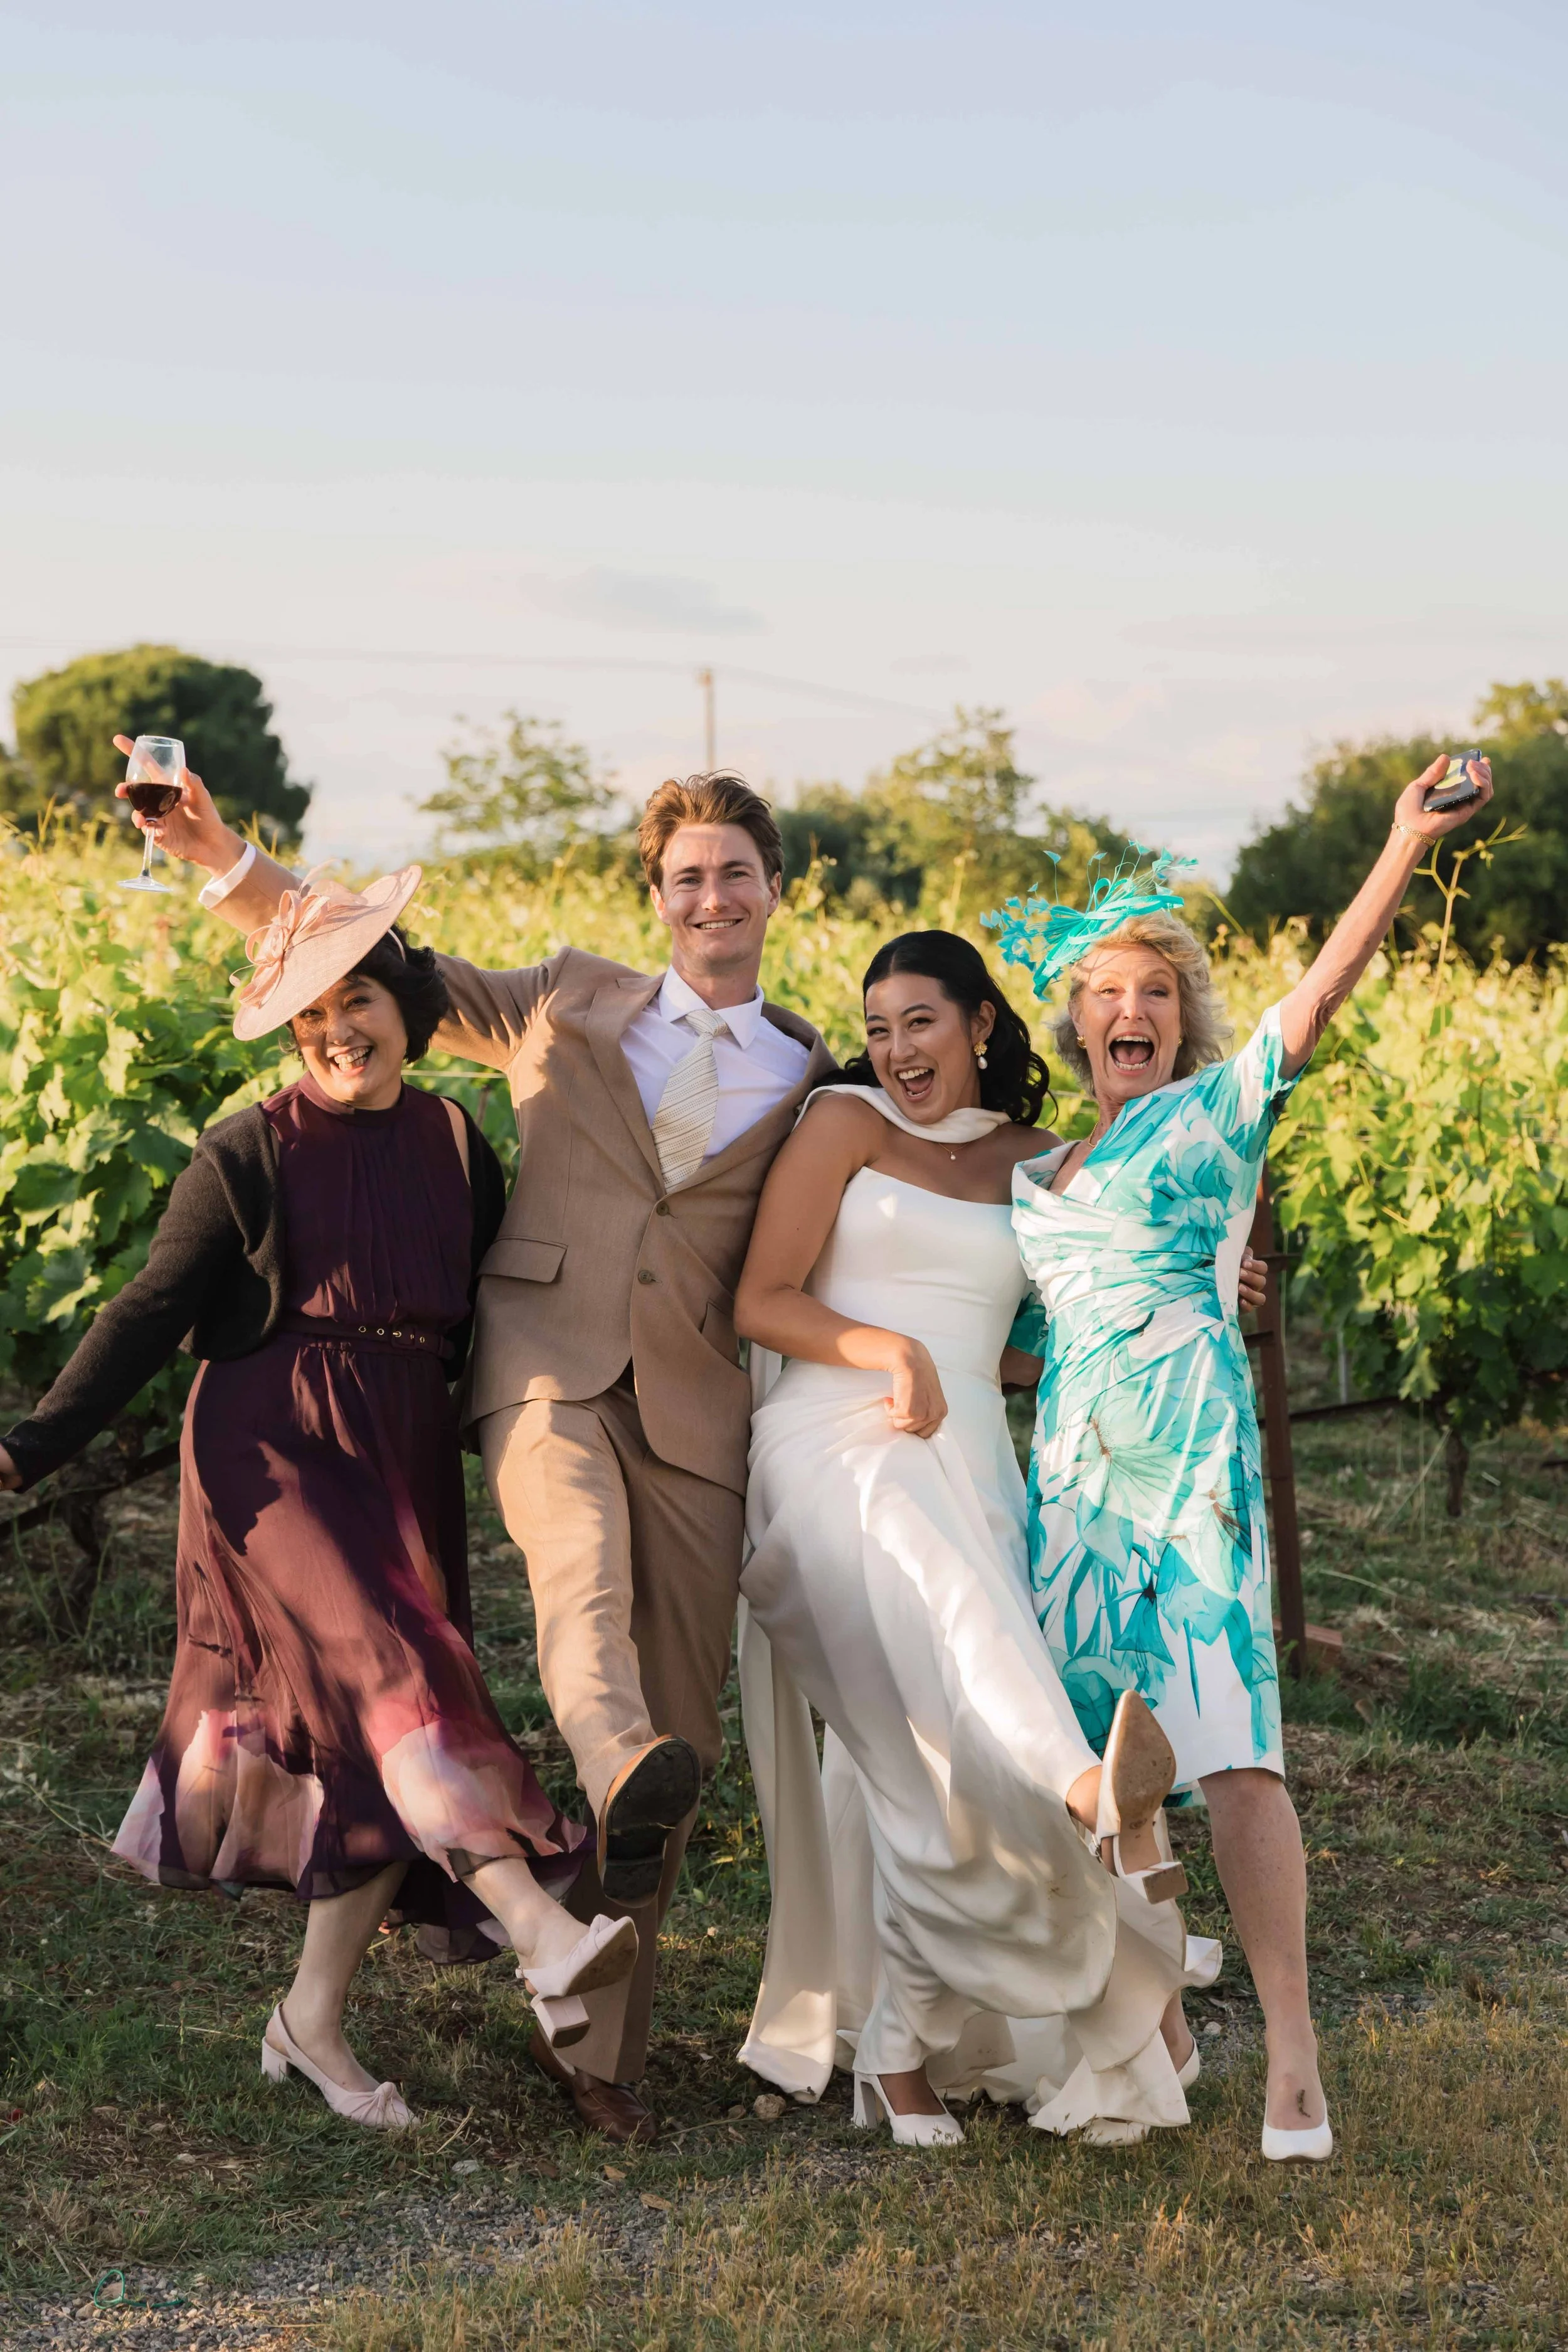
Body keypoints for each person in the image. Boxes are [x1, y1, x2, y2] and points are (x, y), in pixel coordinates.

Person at [116, 750, 837, 2145]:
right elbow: (368, 961)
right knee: (578, 1596)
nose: (710, 897)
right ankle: (604, 1775)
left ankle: (593, 2040)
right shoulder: (568, 997)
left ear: (770, 890)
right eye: (685, 877)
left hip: (696, 1411)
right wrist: (218, 858)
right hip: (546, 1370)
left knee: (678, 1735)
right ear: (657, 895)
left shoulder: (814, 1073)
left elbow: (919, 1180)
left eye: (733, 874)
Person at [0, 867, 642, 2127]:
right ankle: (535, 1927)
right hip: (273, 1449)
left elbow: (496, 1316)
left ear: (403, 1002)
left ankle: (309, 2025)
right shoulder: (249, 1149)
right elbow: (145, 1314)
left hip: (397, 1452)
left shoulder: (457, 1142)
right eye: (308, 1016)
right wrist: (29, 1448)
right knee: (401, 1679)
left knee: (377, 1732)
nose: (336, 1032)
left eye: (356, 1000)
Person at [997, 752, 1494, 2163]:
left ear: (1181, 1022)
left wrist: (1399, 844)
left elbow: (1323, 992)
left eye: (1155, 993)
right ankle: (1152, 2023)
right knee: (1107, 1763)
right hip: (1072, 1481)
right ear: (1072, 1025)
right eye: (1107, 995)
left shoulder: (1211, 1119)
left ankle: (1289, 2054)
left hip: (1189, 1461)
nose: (1130, 1011)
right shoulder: (1039, 1175)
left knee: (1231, 1749)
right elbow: (1045, 1338)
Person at [731, 930, 1250, 2144]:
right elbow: (759, 1297)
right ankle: (1088, 1788)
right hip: (828, 1443)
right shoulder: (845, 1128)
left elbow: (1068, 1315)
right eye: (877, 1028)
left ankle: (904, 2051)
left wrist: (1221, 1296)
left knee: (932, 1768)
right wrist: (887, 1351)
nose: (896, 1050)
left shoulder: (1036, 1165)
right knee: (932, 1573)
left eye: (920, 1021)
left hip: (967, 1457)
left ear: (977, 1025)